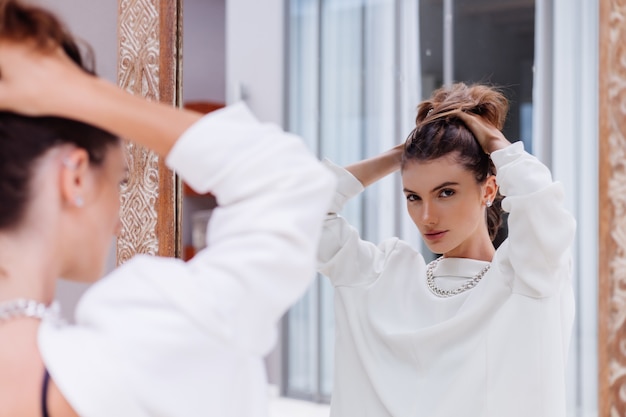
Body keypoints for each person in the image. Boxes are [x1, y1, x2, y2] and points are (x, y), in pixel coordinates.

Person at [0, 1, 335, 416]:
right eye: (120, 182)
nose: (119, 223)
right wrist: (76, 91)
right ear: (76, 178)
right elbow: (287, 180)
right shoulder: (136, 346)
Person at [318, 83, 576, 416]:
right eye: (413, 196)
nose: (426, 217)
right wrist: (403, 153)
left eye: (446, 193)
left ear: (489, 190)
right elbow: (305, 211)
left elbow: (543, 206)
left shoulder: (527, 279)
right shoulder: (381, 278)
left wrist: (496, 143)